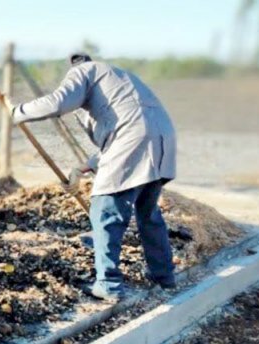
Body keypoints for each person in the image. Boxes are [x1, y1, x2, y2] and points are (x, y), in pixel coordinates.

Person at [10, 52, 178, 302]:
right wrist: (86, 166)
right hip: (162, 137)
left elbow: (57, 103)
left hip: (133, 140)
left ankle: (108, 283)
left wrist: (17, 111)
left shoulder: (83, 72)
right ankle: (163, 275)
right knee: (148, 212)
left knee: (105, 211)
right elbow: (128, 125)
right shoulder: (119, 78)